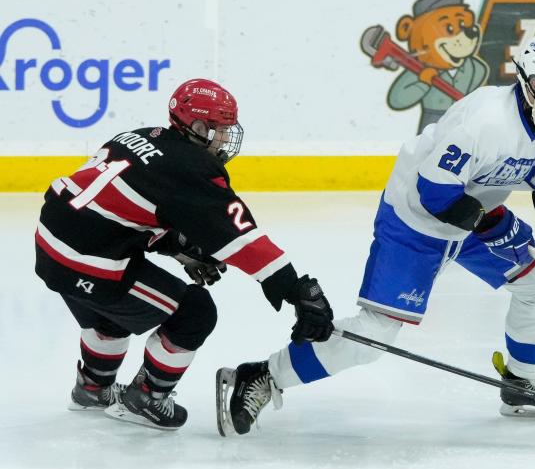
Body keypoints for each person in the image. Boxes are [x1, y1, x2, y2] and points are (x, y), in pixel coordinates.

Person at [216, 30, 535, 436]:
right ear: (533, 82)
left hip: (470, 219)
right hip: (415, 221)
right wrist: (494, 225)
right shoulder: (487, 122)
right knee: (375, 335)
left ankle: (524, 381)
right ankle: (264, 376)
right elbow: (434, 193)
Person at [34, 79, 335, 430]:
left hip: (51, 242)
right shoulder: (190, 167)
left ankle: (92, 389)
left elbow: (127, 211)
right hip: (89, 260)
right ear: (196, 126)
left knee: (113, 312)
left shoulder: (141, 135)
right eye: (219, 129)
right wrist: (294, 287)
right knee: (195, 313)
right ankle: (147, 397)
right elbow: (241, 238)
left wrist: (181, 249)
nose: (224, 138)